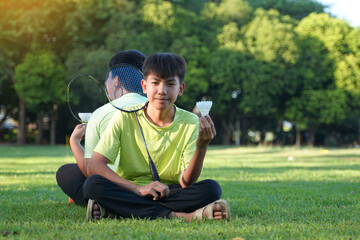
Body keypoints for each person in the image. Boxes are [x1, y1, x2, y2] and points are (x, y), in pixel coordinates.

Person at [84, 52, 231, 221]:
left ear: (180, 88)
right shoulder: (125, 116)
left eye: (170, 84)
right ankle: (183, 216)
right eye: (155, 83)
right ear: (144, 86)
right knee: (93, 184)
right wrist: (138, 189)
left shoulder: (190, 121)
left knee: (211, 189)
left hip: (171, 192)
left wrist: (201, 146)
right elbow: (94, 166)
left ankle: (116, 210)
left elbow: (186, 182)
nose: (162, 91)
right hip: (131, 190)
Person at [56, 50, 147, 206]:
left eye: (108, 78)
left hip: (114, 186)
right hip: (153, 183)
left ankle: (104, 204)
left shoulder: (101, 113)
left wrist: (74, 141)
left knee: (66, 173)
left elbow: (89, 170)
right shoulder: (159, 109)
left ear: (116, 80)